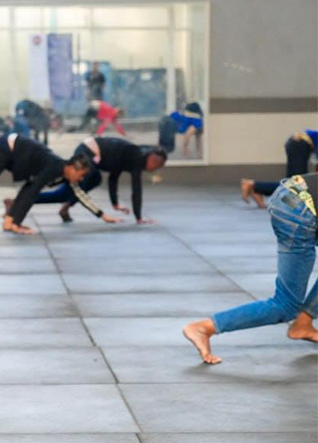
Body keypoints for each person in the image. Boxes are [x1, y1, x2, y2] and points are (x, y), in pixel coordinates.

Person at [183, 173, 318, 364]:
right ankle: (205, 327)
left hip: (289, 193)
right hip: (303, 211)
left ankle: (303, 324)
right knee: (285, 305)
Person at [33, 137, 168, 224]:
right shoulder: (136, 157)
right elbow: (136, 189)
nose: (154, 168)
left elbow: (113, 178)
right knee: (64, 193)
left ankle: (64, 206)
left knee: (95, 179)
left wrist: (115, 204)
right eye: (156, 164)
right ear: (151, 158)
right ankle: (25, 200)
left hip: (93, 157)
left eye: (158, 166)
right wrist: (139, 218)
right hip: (88, 151)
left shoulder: (131, 156)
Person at [241, 130, 317, 208]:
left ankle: (257, 188)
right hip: (299, 144)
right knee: (297, 184)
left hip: (298, 143)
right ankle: (254, 185)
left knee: (294, 183)